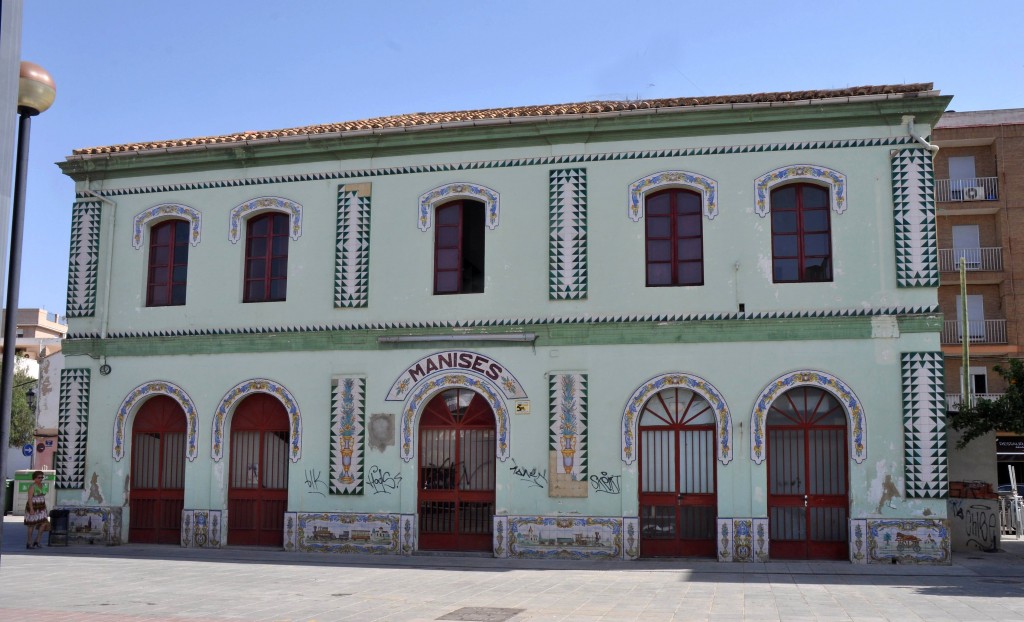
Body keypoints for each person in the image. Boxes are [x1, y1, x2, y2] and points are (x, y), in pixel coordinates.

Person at [23, 471, 51, 549]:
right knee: (31, 525)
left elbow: (44, 493)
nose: (41, 479)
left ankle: (37, 541)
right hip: (33, 506)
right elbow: (30, 498)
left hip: (41, 506)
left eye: (42, 477)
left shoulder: (44, 485)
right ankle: (29, 542)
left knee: (44, 523)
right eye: (39, 477)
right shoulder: (32, 486)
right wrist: (31, 509)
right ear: (34, 478)